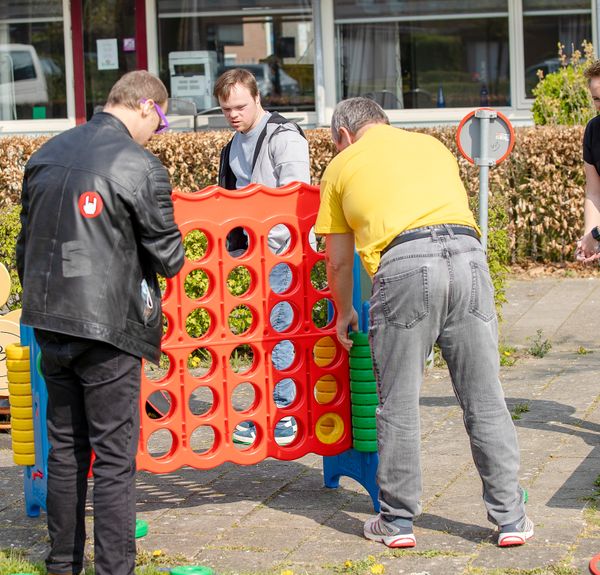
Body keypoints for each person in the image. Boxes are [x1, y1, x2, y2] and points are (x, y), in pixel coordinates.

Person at [315, 97, 533, 549]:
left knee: (397, 403)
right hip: (469, 258)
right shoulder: (431, 146)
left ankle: (396, 523)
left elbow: (337, 264)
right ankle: (511, 518)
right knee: (485, 398)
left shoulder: (340, 166)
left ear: (343, 135)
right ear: (385, 124)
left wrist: (344, 311)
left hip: (404, 264)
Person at [16, 71, 185, 575]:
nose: (157, 133)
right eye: (160, 121)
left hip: (50, 320)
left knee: (65, 448)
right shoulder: (139, 165)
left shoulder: (46, 153)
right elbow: (170, 256)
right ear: (144, 107)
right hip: (108, 327)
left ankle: (62, 568)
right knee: (114, 456)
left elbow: (26, 245)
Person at [214, 68, 310, 445]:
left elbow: (297, 194)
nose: (233, 115)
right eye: (225, 110)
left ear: (257, 98)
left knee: (280, 331)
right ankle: (260, 412)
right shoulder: (233, 144)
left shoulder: (283, 136)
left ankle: (283, 412)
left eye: (239, 106)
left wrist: (275, 243)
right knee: (257, 335)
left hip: (282, 253)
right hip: (251, 256)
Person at [576, 60, 600, 263]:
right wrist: (589, 239)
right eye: (597, 99)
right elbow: (594, 192)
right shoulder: (593, 130)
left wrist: (597, 235)